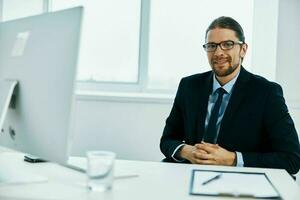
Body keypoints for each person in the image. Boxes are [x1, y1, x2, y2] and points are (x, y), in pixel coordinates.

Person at [160, 16, 300, 175]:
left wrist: (233, 159)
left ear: (243, 49)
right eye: (212, 46)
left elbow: (291, 159)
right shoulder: (189, 86)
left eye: (227, 44)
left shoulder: (267, 92)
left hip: (240, 181)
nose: (218, 52)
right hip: (190, 174)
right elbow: (167, 140)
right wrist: (186, 152)